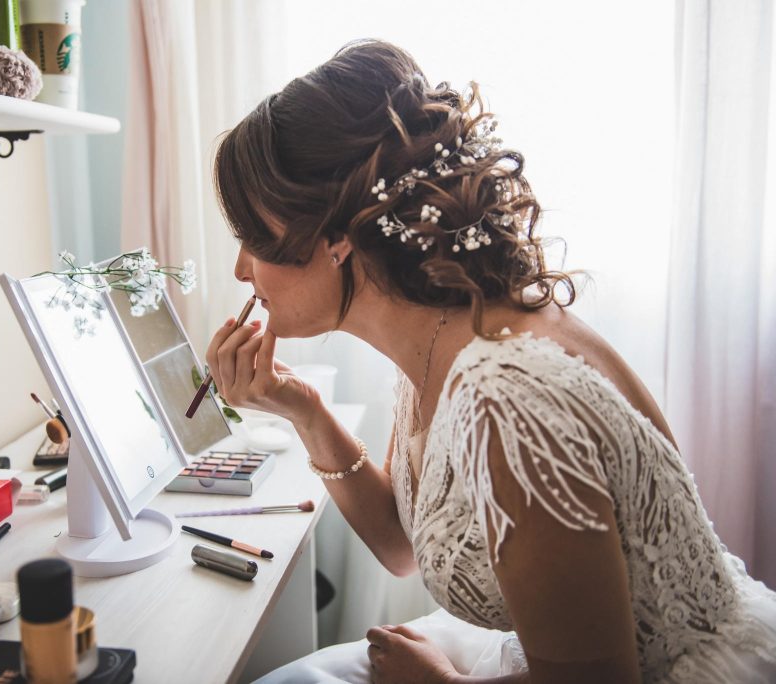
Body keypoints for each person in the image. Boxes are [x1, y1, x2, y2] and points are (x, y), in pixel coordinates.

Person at [204, 40, 776, 684]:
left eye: (254, 239)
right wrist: (301, 411)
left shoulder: (509, 401)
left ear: (337, 236)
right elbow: (401, 544)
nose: (240, 269)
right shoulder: (440, 327)